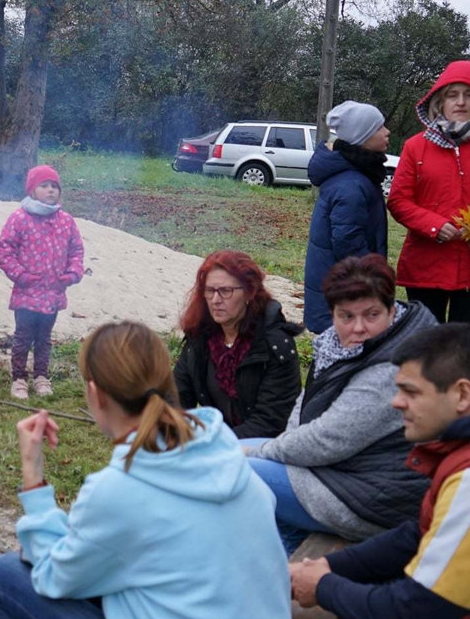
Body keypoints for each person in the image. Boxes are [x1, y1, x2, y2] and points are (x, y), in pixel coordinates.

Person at [0, 321, 290, 619]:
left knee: (6, 575)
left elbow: (52, 576)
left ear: (94, 394)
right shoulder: (220, 446)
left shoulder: (118, 491)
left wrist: (33, 476)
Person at [293, 323, 470, 619]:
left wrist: (323, 587)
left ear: (461, 395)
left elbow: (410, 613)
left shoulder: (466, 479)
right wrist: (329, 568)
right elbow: (415, 536)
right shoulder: (456, 455)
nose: (396, 403)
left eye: (411, 392)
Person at [245, 254, 437, 554]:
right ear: (333, 314)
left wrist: (263, 451)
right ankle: (278, 569)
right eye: (346, 316)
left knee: (239, 469)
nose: (358, 327)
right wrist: (276, 446)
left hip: (378, 498)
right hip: (345, 473)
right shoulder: (337, 344)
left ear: (391, 308)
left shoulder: (394, 366)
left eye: (371, 315)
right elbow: (306, 401)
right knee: (242, 451)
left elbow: (328, 440)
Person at [173, 249, 303, 438]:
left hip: (265, 448)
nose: (216, 300)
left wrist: (213, 445)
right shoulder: (200, 338)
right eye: (209, 291)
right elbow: (177, 397)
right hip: (216, 441)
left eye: (226, 291)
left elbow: (271, 421)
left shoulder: (275, 344)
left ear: (249, 292)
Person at [387, 60, 470, 324]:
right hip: (425, 265)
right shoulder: (416, 147)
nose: (461, 102)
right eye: (452, 95)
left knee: (462, 347)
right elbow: (398, 201)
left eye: (468, 95)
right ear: (439, 102)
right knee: (426, 343)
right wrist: (434, 226)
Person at [0, 165, 85, 400]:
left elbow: (76, 250)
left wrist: (72, 274)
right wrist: (20, 275)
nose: (50, 191)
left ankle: (41, 376)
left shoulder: (65, 221)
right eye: (44, 186)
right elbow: (5, 249)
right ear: (32, 190)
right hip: (27, 292)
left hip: (53, 292)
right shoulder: (19, 218)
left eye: (54, 186)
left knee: (44, 337)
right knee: (23, 335)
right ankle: (18, 377)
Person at [304, 100, 391, 333]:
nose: (387, 132)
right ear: (361, 137)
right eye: (380, 128)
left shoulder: (355, 173)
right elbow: (348, 242)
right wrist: (375, 278)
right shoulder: (351, 184)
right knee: (342, 358)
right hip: (344, 294)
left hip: (338, 289)